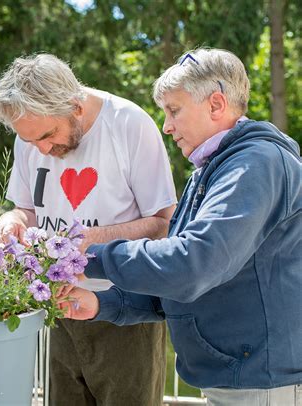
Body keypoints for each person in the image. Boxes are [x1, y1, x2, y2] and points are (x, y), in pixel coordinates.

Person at [59, 48, 302, 405]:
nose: (166, 126)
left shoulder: (254, 165)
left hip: (259, 384)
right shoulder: (213, 168)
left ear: (216, 104)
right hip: (239, 378)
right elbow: (178, 282)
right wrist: (100, 304)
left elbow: (192, 265)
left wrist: (86, 256)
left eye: (174, 110)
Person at [0, 54, 177, 405]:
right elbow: (25, 209)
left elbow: (164, 223)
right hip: (58, 310)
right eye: (31, 142)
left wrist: (91, 241)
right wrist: (10, 221)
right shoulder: (29, 136)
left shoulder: (129, 125)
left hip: (124, 311)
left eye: (48, 135)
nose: (42, 149)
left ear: (74, 106)